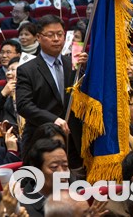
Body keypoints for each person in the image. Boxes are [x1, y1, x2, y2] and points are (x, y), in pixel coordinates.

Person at [15, 15, 86, 167]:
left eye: (60, 34)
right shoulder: (27, 70)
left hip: (73, 140)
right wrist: (53, 119)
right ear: (38, 37)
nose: (56, 39)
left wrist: (87, 68)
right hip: (41, 139)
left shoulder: (74, 64)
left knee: (74, 181)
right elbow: (23, 105)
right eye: (50, 35)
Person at [21, 139, 69, 217]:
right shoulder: (23, 212)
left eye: (65, 166)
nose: (62, 173)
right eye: (54, 167)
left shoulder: (73, 199)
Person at [0, 56, 21, 127]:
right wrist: (3, 94)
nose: (8, 73)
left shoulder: (31, 90)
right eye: (8, 70)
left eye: (13, 69)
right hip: (6, 129)